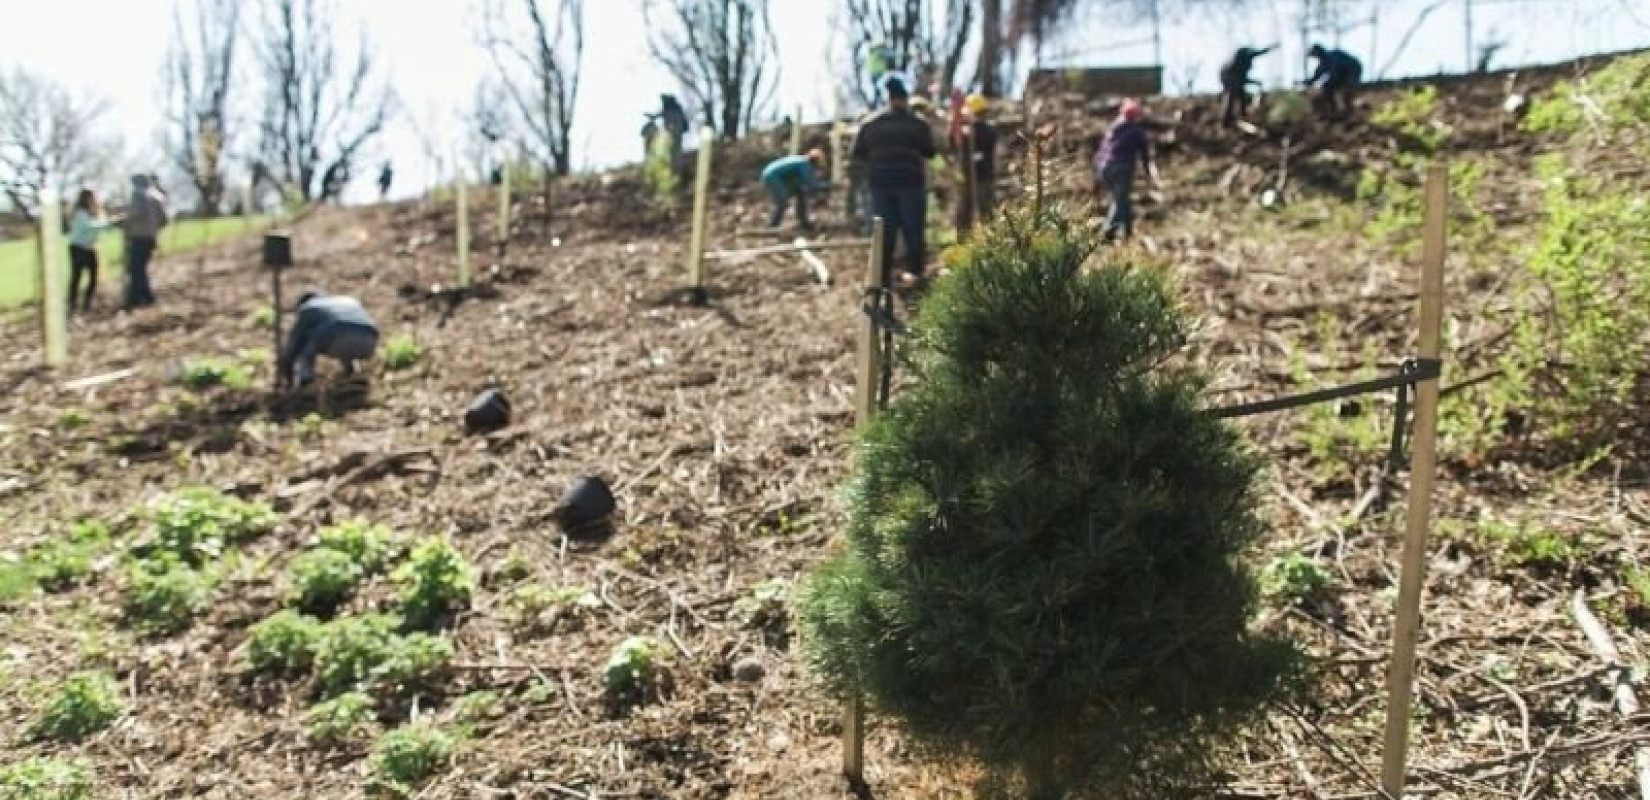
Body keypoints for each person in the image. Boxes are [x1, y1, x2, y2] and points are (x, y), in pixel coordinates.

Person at [850, 75, 936, 286]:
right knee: (913, 230)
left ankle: (881, 278)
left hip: (880, 185)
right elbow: (930, 153)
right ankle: (916, 275)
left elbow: (857, 154)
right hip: (910, 184)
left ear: (888, 98)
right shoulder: (918, 124)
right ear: (904, 98)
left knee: (883, 233)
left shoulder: (869, 125)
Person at [278, 289, 380, 388]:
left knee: (305, 342)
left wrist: (288, 376)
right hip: (370, 341)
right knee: (340, 331)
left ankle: (306, 380)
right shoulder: (349, 300)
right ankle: (352, 375)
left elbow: (294, 344)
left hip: (337, 337)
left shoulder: (307, 308)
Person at [1092, 99, 1159, 242]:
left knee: (1122, 201)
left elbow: (1101, 152)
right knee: (1120, 201)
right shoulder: (1136, 131)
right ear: (1135, 115)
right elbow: (1144, 154)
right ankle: (1106, 233)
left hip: (1105, 168)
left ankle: (1127, 233)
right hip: (1121, 168)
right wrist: (1148, 173)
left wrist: (1097, 175)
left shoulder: (1112, 129)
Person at [121, 173, 169, 309]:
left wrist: (125, 220)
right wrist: (153, 228)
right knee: (141, 267)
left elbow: (136, 213)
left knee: (136, 268)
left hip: (139, 236)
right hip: (151, 237)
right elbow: (164, 220)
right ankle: (146, 296)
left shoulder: (138, 194)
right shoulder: (157, 196)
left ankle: (138, 298)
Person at [66, 189, 118, 312]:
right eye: (92, 197)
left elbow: (104, 228)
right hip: (78, 247)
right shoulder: (80, 213)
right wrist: (109, 223)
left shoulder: (97, 212)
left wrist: (112, 223)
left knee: (93, 277)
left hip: (90, 247)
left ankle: (87, 304)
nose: (95, 199)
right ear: (85, 199)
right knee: (76, 277)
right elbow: (90, 226)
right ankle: (72, 305)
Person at [954, 94, 999, 232]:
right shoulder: (965, 132)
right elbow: (953, 142)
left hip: (981, 176)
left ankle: (986, 241)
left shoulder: (986, 130)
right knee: (967, 212)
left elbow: (985, 138)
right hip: (969, 177)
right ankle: (966, 241)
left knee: (982, 211)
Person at [760, 149, 826, 230]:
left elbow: (804, 182)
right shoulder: (804, 164)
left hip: (774, 175)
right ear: (815, 161)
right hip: (772, 176)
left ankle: (804, 222)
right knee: (782, 202)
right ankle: (771, 227)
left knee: (800, 193)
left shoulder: (801, 160)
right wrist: (826, 186)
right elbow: (810, 183)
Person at [1220, 45, 1274, 127]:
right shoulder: (1236, 63)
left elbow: (1259, 53)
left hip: (1234, 79)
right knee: (1232, 95)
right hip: (1228, 77)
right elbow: (1238, 79)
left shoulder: (1245, 60)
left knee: (1240, 94)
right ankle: (1226, 121)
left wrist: (1271, 48)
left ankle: (1242, 115)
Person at [1304, 44, 1364, 117]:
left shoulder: (1333, 57)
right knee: (1328, 92)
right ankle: (1333, 113)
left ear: (1319, 52)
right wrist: (1307, 82)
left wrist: (1325, 87)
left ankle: (1350, 114)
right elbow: (1316, 76)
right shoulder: (1323, 64)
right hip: (1342, 74)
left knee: (1346, 92)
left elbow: (1334, 76)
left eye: (1315, 55)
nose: (1315, 57)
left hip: (1353, 70)